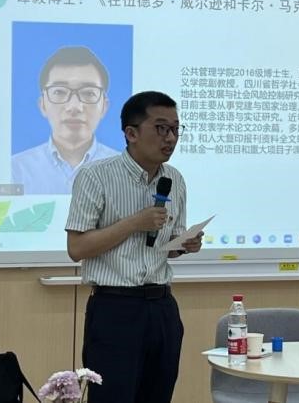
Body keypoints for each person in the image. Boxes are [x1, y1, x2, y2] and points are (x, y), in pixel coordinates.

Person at [65, 91, 202, 403]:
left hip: (162, 308)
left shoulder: (175, 179)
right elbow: (76, 247)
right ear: (131, 133)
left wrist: (184, 244)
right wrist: (133, 223)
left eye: (176, 129)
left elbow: (166, 246)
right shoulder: (96, 175)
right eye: (161, 128)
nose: (171, 138)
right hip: (115, 309)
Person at [11, 46, 119, 194]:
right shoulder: (15, 170)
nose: (74, 107)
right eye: (59, 92)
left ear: (104, 107)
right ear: (42, 105)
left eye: (89, 93)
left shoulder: (125, 170)